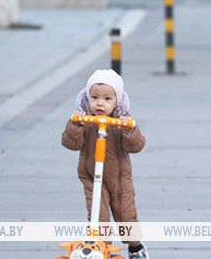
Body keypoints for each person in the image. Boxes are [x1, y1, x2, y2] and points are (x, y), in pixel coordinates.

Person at [61, 69, 149, 259]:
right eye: (94, 97)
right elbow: (71, 143)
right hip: (92, 178)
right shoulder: (86, 121)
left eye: (107, 99)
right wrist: (75, 126)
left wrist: (129, 129)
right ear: (87, 98)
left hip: (119, 178)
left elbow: (136, 146)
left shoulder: (121, 121)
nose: (100, 103)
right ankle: (101, 250)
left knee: (126, 215)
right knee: (98, 218)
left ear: (118, 101)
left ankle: (136, 248)